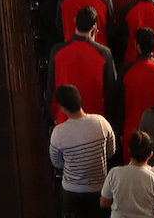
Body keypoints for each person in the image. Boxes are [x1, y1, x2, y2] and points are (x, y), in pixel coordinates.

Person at [51, 83, 116, 218]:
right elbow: (111, 152)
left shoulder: (58, 132)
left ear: (62, 108)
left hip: (71, 190)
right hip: (99, 189)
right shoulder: (101, 122)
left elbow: (57, 163)